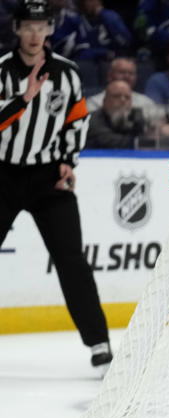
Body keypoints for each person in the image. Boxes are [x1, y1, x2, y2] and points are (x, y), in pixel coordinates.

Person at [0, 0, 112, 372]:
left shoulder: (67, 73)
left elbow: (76, 121)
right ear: (16, 29)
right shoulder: (1, 71)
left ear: (49, 29)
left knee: (71, 260)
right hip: (3, 174)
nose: (34, 34)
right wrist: (24, 98)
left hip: (49, 177)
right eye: (27, 26)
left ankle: (99, 341)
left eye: (41, 26)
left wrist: (68, 159)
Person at [86, 80, 145, 148]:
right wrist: (140, 142)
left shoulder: (137, 116)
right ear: (105, 101)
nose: (123, 100)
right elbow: (106, 141)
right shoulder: (92, 120)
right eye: (116, 96)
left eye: (127, 97)